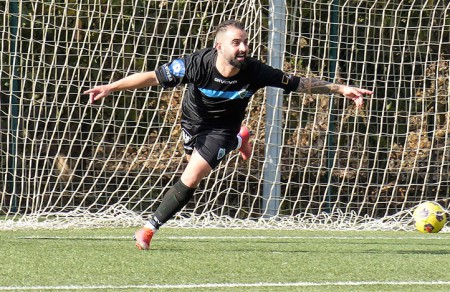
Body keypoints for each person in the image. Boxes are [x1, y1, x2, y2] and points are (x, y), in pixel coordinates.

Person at [84, 20, 373, 250]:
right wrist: (111, 87)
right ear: (219, 46)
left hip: (221, 130)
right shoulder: (196, 63)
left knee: (192, 175)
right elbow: (152, 76)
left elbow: (298, 83)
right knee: (191, 159)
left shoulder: (256, 71)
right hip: (193, 122)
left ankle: (148, 228)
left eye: (245, 42)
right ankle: (241, 139)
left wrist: (339, 88)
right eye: (236, 43)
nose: (243, 48)